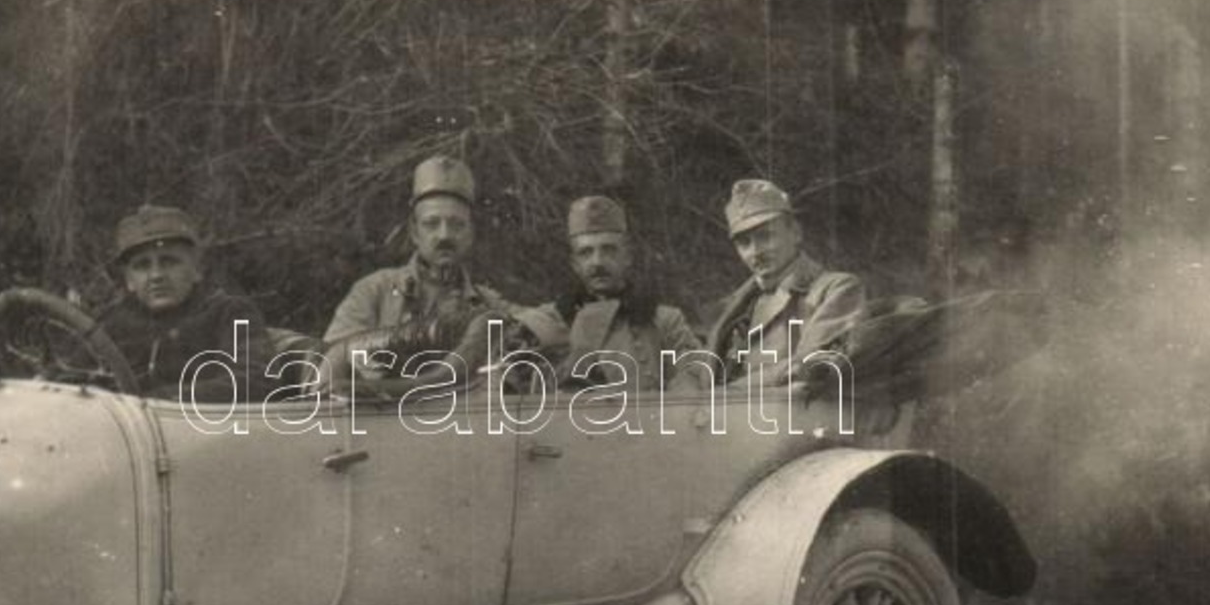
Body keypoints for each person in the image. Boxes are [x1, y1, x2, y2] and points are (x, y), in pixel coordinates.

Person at [323, 156, 516, 384]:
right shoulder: (374, 291)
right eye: (431, 224)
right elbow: (331, 364)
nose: (444, 235)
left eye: (457, 225)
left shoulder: (487, 303)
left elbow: (541, 324)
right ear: (415, 232)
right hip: (380, 416)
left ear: (471, 234)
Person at [98, 204, 280, 400]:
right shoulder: (110, 326)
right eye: (142, 266)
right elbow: (70, 383)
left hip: (203, 427)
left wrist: (162, 401)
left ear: (196, 269)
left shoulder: (231, 314)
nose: (156, 275)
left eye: (169, 262)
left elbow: (257, 380)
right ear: (129, 280)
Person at [521, 195, 702, 391]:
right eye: (586, 253)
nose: (597, 262)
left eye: (609, 250)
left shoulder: (666, 322)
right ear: (574, 264)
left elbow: (694, 374)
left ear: (627, 256)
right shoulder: (547, 322)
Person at [706, 179, 867, 385]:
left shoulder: (836, 289)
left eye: (766, 236)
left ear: (795, 233)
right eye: (744, 243)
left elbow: (812, 364)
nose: (755, 252)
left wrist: (726, 394)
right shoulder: (732, 309)